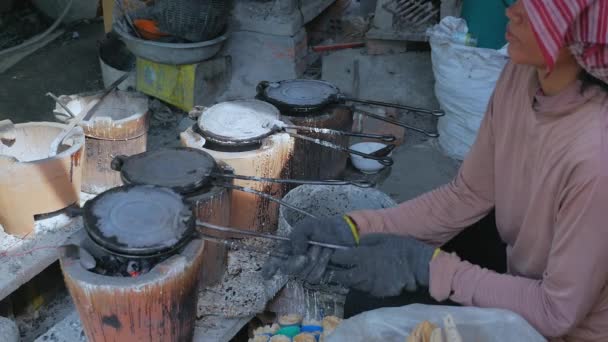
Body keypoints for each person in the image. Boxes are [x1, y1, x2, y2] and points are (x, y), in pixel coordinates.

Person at [262, 0, 608, 341]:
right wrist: (354, 228)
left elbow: (556, 313)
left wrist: (426, 266)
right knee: (368, 298)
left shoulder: (596, 156)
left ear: (577, 38)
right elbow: (468, 194)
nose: (512, 11)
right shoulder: (522, 74)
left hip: (570, 327)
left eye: (533, 10)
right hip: (523, 271)